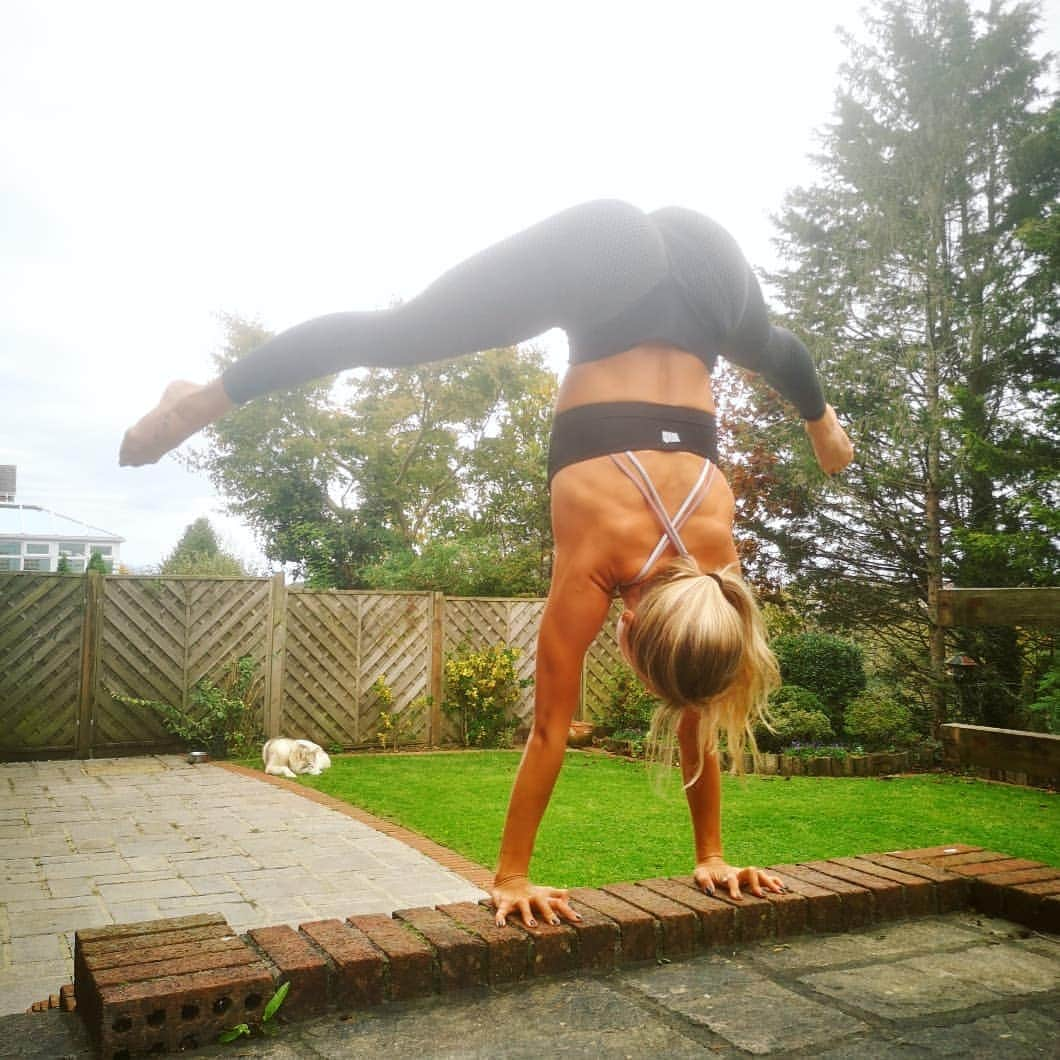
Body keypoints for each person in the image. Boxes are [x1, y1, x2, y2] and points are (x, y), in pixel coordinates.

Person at [120, 199, 853, 929]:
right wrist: (512, 875)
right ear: (628, 636)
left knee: (765, 344)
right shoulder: (598, 566)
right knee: (395, 335)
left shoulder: (719, 572)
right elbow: (549, 732)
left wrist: (715, 855)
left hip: (703, 263)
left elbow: (700, 687)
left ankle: (826, 427)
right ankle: (198, 402)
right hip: (608, 264)